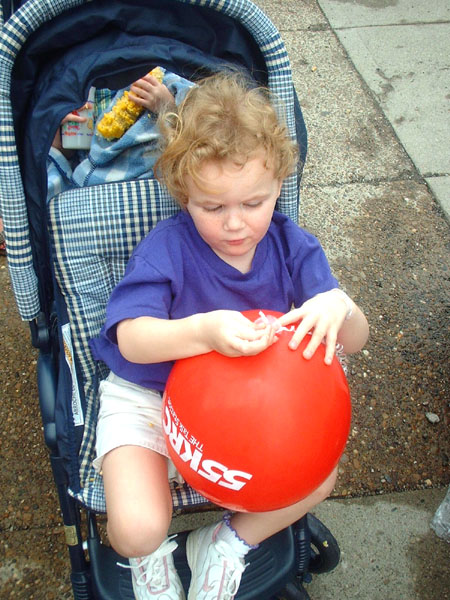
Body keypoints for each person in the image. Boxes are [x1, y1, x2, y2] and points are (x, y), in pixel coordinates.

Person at [89, 71, 369, 600]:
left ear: (279, 185)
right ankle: (151, 558)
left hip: (253, 414)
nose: (235, 223)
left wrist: (340, 304)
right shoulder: (167, 249)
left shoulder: (293, 248)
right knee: (135, 529)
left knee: (319, 476)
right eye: (212, 207)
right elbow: (132, 340)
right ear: (183, 193)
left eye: (254, 203)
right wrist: (204, 330)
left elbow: (353, 340)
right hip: (149, 396)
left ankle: (226, 541)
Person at [47, 69, 193, 200]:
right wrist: (59, 146)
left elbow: (200, 126)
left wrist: (168, 106)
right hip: (95, 185)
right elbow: (75, 160)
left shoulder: (156, 74)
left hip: (154, 173)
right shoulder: (73, 87)